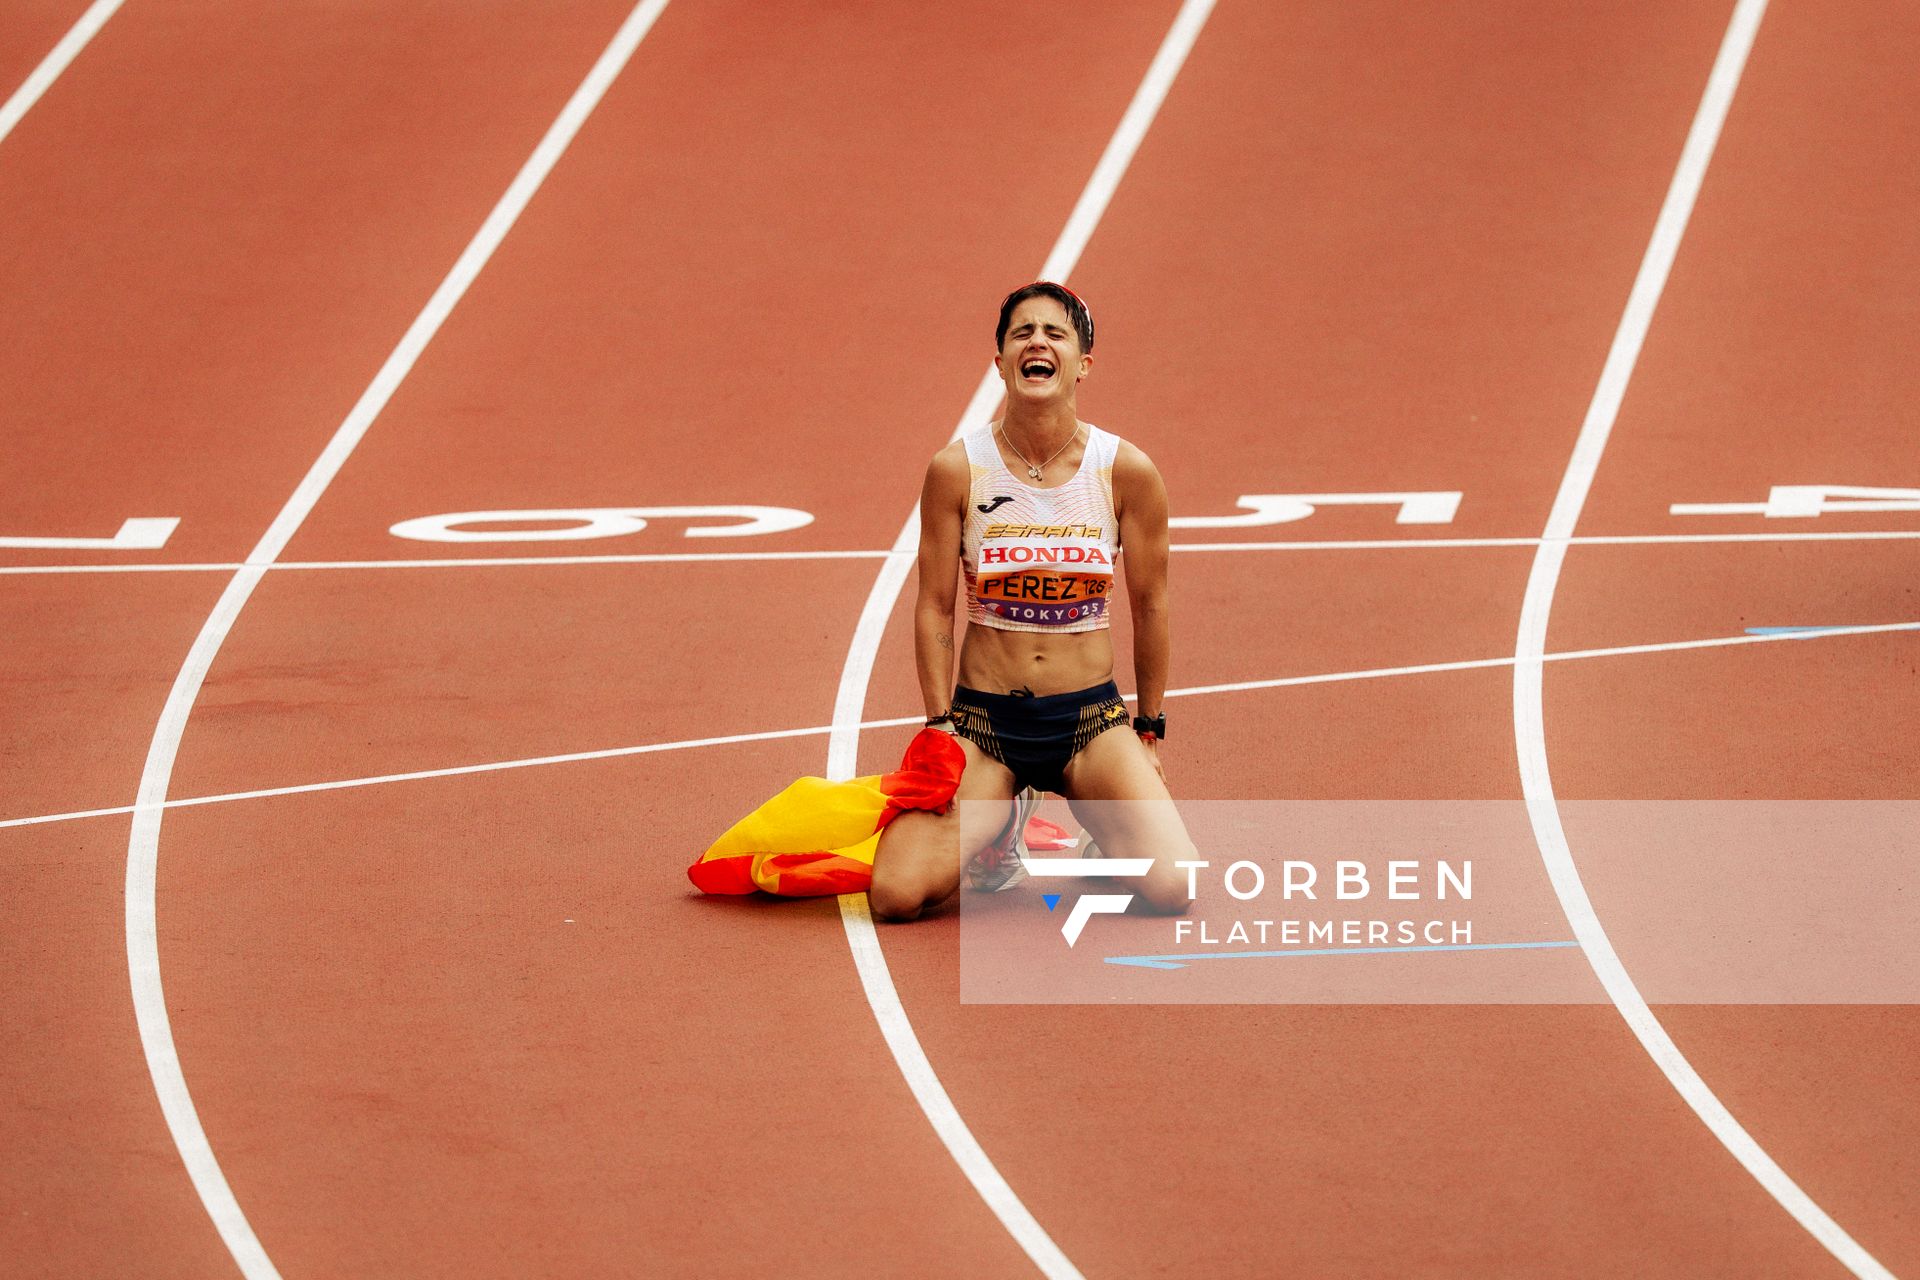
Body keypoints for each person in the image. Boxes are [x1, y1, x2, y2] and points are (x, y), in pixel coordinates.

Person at [867, 282, 1195, 922]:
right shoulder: (957, 470)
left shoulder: (1125, 470)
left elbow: (1151, 606)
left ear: (1083, 363)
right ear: (1000, 362)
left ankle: (1104, 839)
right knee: (897, 895)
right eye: (1021, 333)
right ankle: (1003, 820)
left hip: (1089, 721)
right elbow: (935, 605)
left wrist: (1149, 729)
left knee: (1174, 886)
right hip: (986, 725)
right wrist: (939, 726)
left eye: (1055, 333)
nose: (1037, 342)